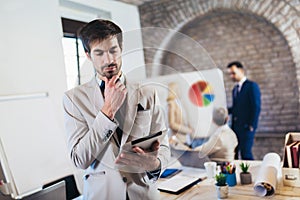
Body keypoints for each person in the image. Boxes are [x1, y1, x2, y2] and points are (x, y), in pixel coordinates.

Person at [63, 19, 170, 200]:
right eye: (99, 53)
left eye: (113, 50)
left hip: (144, 194)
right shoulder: (74, 99)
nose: (109, 60)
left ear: (121, 49)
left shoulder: (148, 93)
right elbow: (79, 159)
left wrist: (155, 164)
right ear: (88, 55)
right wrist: (107, 111)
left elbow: (165, 146)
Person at [227, 61, 261, 160]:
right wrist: (225, 111)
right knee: (234, 154)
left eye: (233, 73)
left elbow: (256, 106)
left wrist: (252, 126)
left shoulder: (251, 86)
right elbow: (236, 108)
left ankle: (252, 175)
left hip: (247, 128)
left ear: (241, 71)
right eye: (230, 74)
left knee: (246, 154)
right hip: (235, 128)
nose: (231, 76)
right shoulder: (234, 89)